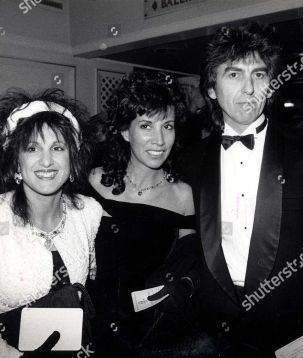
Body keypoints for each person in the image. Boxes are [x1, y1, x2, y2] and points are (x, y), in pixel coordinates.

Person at [179, 23, 303, 357]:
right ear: (212, 88)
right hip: (212, 333)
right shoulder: (190, 160)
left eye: (259, 75)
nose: (249, 89)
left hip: (291, 332)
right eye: (233, 75)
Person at [0, 88, 102, 358]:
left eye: (58, 147)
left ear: (73, 160)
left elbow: (88, 281)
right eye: (32, 148)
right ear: (15, 162)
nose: (47, 161)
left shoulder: (88, 211)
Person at [86, 71, 215, 357]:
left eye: (167, 126)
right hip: (91, 325)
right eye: (146, 125)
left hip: (150, 331)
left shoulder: (183, 195)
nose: (159, 139)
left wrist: (184, 283)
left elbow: (189, 258)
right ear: (124, 131)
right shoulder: (94, 182)